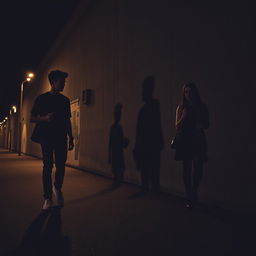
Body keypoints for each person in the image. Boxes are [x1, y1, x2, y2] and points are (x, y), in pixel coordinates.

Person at [30, 70, 74, 210]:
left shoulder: (65, 100)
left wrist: (71, 137)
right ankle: (47, 198)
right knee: (47, 166)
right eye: (62, 81)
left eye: (64, 82)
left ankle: (57, 187)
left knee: (61, 165)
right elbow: (31, 118)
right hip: (47, 137)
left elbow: (67, 121)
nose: (64, 84)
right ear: (53, 82)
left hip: (61, 137)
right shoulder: (42, 99)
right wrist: (45, 118)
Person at [174, 82, 209, 208]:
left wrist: (201, 124)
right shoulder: (181, 107)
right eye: (186, 92)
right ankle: (189, 196)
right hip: (186, 140)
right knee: (187, 169)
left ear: (195, 92)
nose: (189, 94)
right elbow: (177, 126)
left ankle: (193, 192)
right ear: (183, 93)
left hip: (198, 139)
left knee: (198, 168)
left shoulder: (201, 106)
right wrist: (184, 116)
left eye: (190, 91)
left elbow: (207, 124)